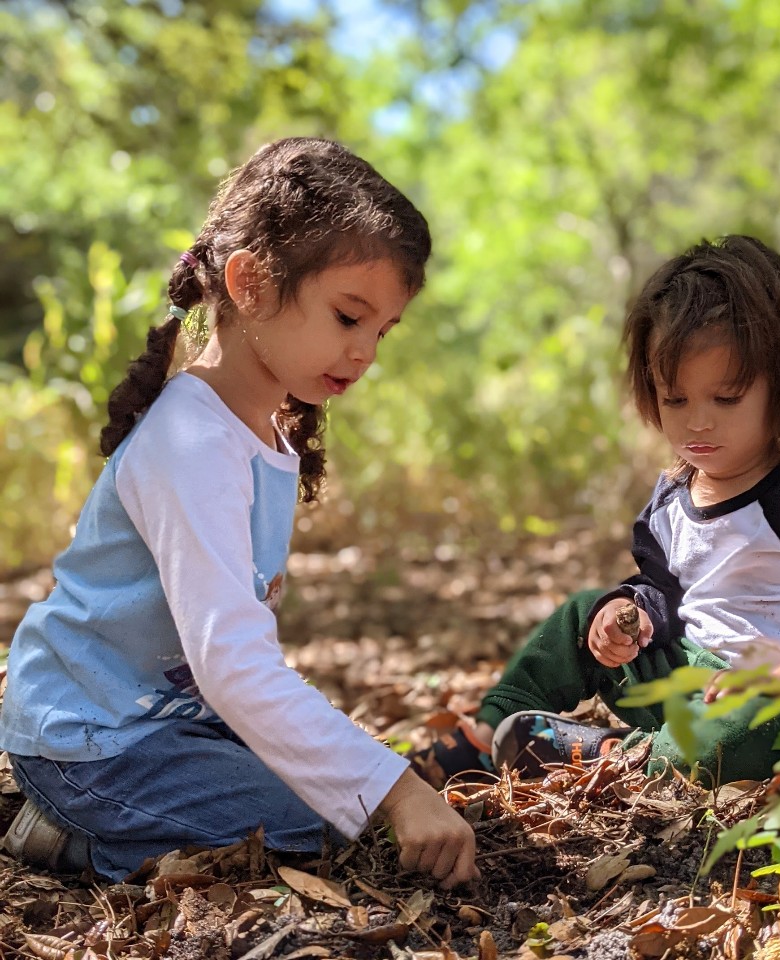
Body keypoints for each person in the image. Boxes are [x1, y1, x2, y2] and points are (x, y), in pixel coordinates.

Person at [0, 137, 478, 888]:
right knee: (321, 822)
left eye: (381, 331)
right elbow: (233, 666)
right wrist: (394, 792)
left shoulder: (259, 429)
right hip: (91, 740)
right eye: (349, 317)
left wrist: (379, 781)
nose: (366, 353)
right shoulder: (191, 441)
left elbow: (233, 666)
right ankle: (74, 837)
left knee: (338, 788)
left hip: (167, 719)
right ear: (250, 284)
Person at [411, 235, 780, 788]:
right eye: (676, 399)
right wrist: (632, 611)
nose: (698, 422)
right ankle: (491, 732)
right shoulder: (673, 494)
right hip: (689, 680)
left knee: (737, 731)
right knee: (582, 611)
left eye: (726, 399)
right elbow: (666, 589)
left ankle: (616, 759)